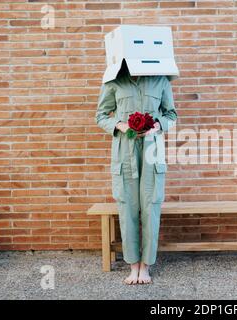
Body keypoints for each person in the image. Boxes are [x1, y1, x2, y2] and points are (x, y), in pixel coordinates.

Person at [95, 63, 177, 284]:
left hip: (152, 149)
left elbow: (171, 114)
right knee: (127, 207)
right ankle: (132, 266)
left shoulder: (161, 80)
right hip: (125, 151)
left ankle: (146, 266)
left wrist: (158, 126)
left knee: (151, 207)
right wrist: (120, 125)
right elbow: (101, 115)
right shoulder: (113, 80)